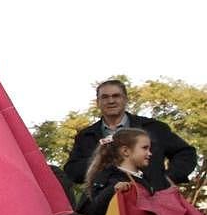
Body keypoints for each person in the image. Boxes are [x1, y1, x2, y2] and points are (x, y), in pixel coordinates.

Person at [64, 79, 198, 193]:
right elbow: (72, 171)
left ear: (125, 99)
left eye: (116, 96)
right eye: (105, 97)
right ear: (98, 102)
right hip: (108, 206)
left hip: (153, 200)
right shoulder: (86, 136)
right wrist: (101, 160)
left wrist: (170, 177)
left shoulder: (154, 128)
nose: (111, 101)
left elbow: (186, 152)